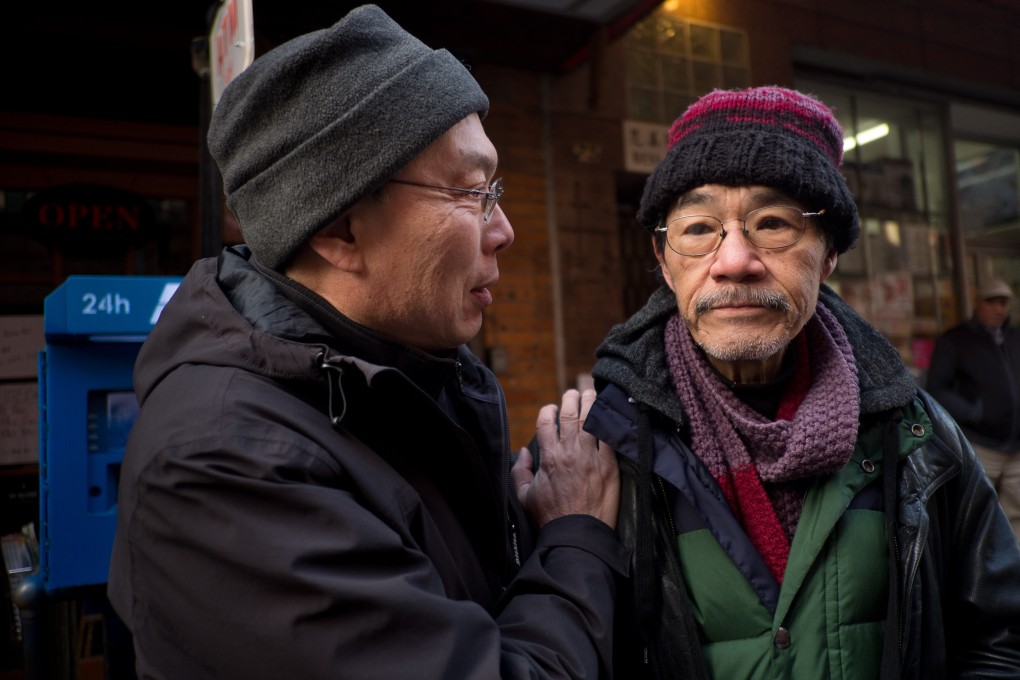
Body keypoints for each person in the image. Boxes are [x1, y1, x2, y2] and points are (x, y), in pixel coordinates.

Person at [107, 5, 625, 679]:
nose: (504, 231)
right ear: (340, 231)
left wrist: (529, 530)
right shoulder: (226, 465)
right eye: (471, 193)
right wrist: (576, 537)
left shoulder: (406, 375)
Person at [578, 86, 1020, 679]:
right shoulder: (600, 447)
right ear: (664, 259)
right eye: (699, 228)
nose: (734, 261)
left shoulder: (917, 434)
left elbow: (998, 638)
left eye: (773, 223)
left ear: (828, 253)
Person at [928, 276, 1020, 541]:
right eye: (991, 302)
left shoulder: (1015, 339)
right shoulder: (956, 340)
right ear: (978, 303)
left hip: (1016, 448)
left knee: (1016, 515)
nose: (998, 308)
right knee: (977, 514)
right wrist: (975, 414)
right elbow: (937, 389)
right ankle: (984, 565)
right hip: (980, 444)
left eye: (1003, 302)